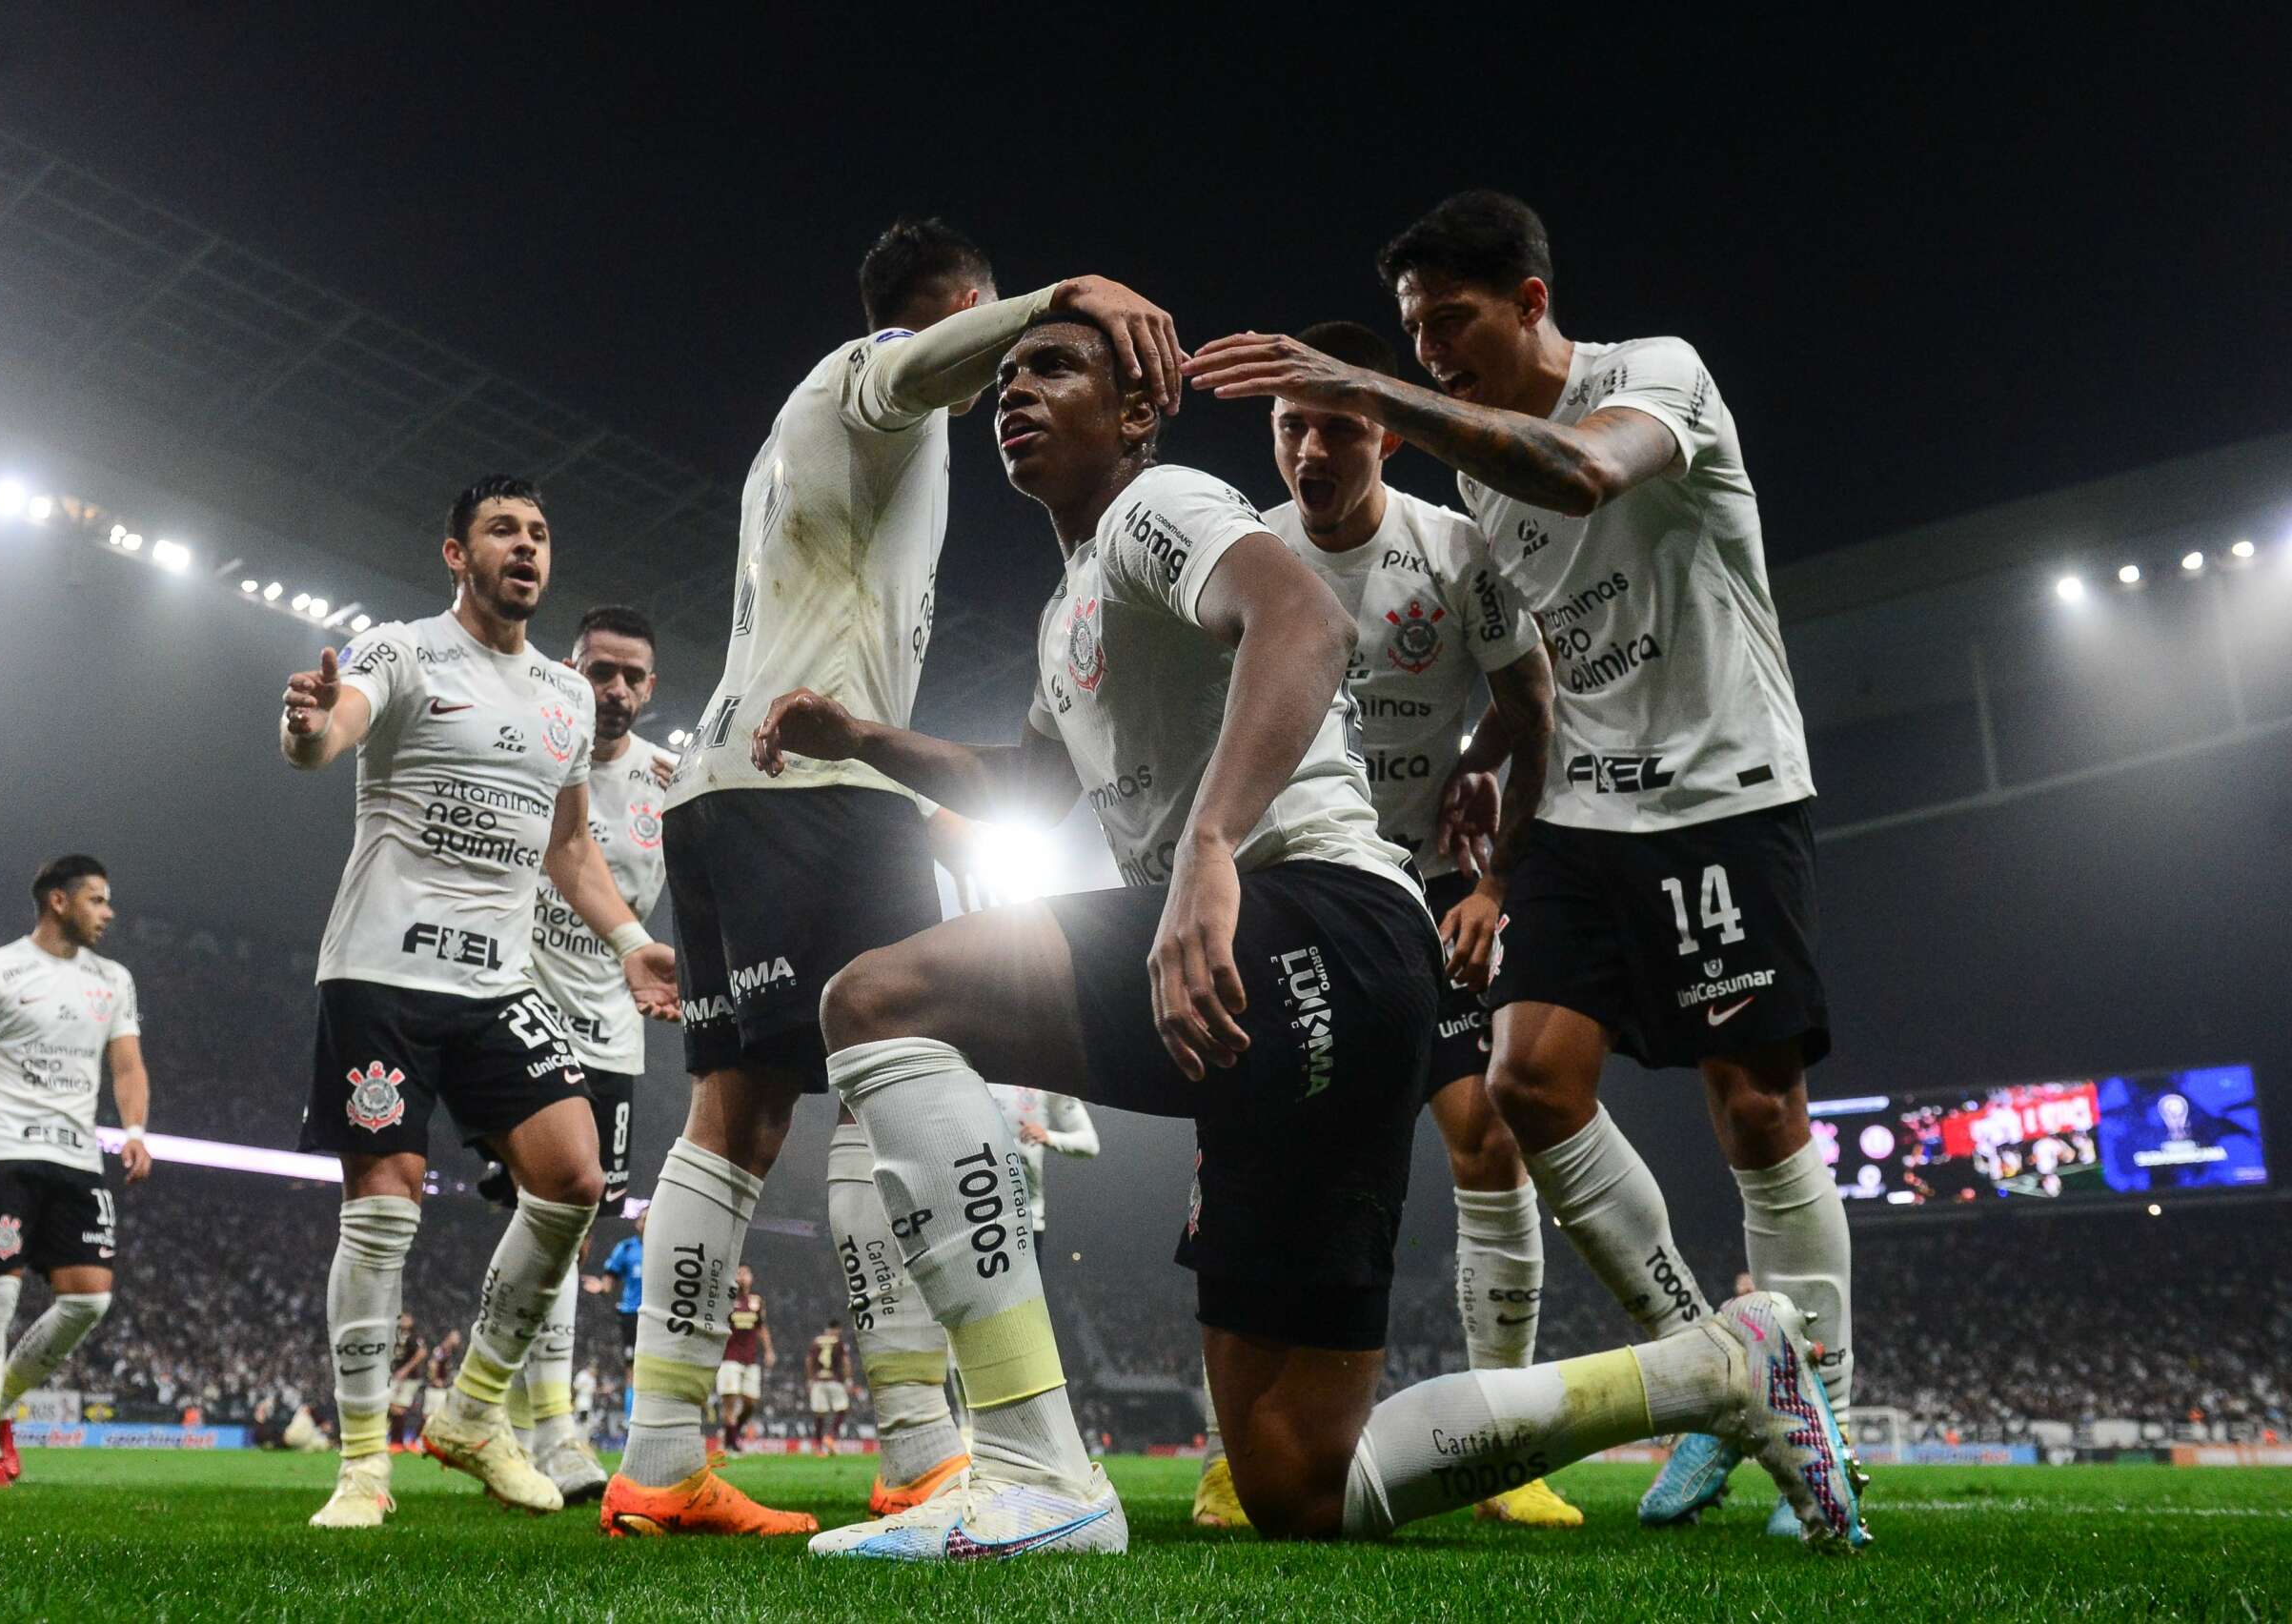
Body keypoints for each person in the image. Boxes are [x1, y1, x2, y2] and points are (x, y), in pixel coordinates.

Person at [756, 315, 1864, 1557]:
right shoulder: (1072, 601)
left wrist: (1213, 848)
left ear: (1135, 415)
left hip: (1308, 924)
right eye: (1004, 378)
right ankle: (1718, 1368)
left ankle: (1030, 1470)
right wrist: (862, 745)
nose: (1015, 390)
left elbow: (1302, 622)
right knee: (1298, 1483)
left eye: (1054, 367)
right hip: (1309, 981)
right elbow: (1027, 777)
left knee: (876, 999)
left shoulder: (1156, 503)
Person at [1185, 188, 1856, 1538]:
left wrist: (1366, 387)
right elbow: (1532, 681)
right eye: (1410, 329)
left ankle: (1825, 1407)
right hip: (1582, 819)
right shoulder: (1477, 473)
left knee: (1757, 1110)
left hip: (1721, 788)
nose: (1428, 349)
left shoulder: (1652, 377)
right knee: (1530, 1088)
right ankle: (1712, 1371)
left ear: (1533, 302)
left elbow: (1586, 471)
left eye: (1449, 321)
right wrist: (1490, 770)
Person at [603, 215, 1181, 1540]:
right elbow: (910, 365)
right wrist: (1073, 290)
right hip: (806, 794)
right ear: (968, 314)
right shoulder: (870, 381)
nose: (1020, 381)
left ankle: (663, 1455)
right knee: (888, 1088)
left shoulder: (815, 442)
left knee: (740, 1121)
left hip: (755, 792)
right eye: (1016, 348)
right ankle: (925, 1448)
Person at [1219, 316, 1575, 1532]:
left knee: (1486, 1137)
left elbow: (1533, 705)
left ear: (1382, 428)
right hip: (1296, 890)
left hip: (1427, 891)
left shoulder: (1452, 549)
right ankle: (1237, 1447)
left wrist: (1492, 886)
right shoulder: (1243, 557)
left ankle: (1507, 1443)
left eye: (1331, 423)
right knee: (1259, 1157)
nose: (1307, 447)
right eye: (1287, 426)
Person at [279, 474, 679, 1530]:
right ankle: (362, 1468)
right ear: (456, 553)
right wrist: (309, 730)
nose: (527, 547)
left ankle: (469, 1413)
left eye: (541, 533)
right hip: (383, 975)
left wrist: (634, 943)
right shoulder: (401, 650)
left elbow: (569, 846)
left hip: (497, 986)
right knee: (382, 1214)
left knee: (574, 1179)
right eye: (503, 529)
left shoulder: (561, 694)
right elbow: (331, 734)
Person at [481, 602, 674, 1504]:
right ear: (571, 667)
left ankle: (508, 1424)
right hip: (519, 1009)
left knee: (570, 1230)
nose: (617, 691)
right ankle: (549, 1429)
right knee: (547, 1210)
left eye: (633, 676)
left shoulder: (670, 786)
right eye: (601, 671)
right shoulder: (529, 743)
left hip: (615, 1028)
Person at [0, 854, 154, 1488]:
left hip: (76, 1157)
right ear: (59, 900)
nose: (108, 913)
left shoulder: (114, 979)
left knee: (90, 1298)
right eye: (97, 900)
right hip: (1, 1152)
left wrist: (134, 1132)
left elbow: (127, 1067)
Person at [985, 1086, 1099, 1268]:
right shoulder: (973, 1070)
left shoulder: (1047, 1078)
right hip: (973, 1215)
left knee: (1025, 1296)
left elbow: (1090, 1144)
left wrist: (1049, 1137)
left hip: (1025, 1219)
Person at [715, 1265, 773, 1455]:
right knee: (730, 1402)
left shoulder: (757, 1302)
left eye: (745, 1273)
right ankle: (732, 1445)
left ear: (751, 1278)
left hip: (750, 1358)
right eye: (738, 1273)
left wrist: (769, 1351)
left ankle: (730, 1433)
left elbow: (761, 1327)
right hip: (729, 1357)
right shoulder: (725, 1300)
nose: (741, 1277)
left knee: (750, 1402)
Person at [591, 1208, 645, 1366]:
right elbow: (609, 1281)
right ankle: (630, 1391)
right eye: (644, 1219)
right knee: (632, 1360)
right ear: (637, 1223)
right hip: (632, 1313)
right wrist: (602, 1287)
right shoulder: (626, 1248)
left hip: (656, 1314)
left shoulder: (665, 1249)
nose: (647, 1223)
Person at [806, 1320, 853, 1455]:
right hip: (834, 1380)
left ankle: (818, 1446)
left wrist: (810, 1379)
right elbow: (846, 1362)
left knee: (819, 1413)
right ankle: (830, 1437)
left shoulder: (816, 1341)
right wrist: (848, 1380)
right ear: (836, 1329)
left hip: (818, 1380)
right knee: (842, 1408)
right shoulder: (838, 1342)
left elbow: (809, 1360)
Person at [386, 1314, 428, 1451]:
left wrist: (405, 1369)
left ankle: (397, 1442)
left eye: (406, 1318)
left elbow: (422, 1353)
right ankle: (396, 1441)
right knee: (392, 1406)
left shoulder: (414, 1336)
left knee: (398, 1408)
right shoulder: (397, 1335)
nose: (403, 1321)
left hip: (409, 1377)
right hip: (398, 1376)